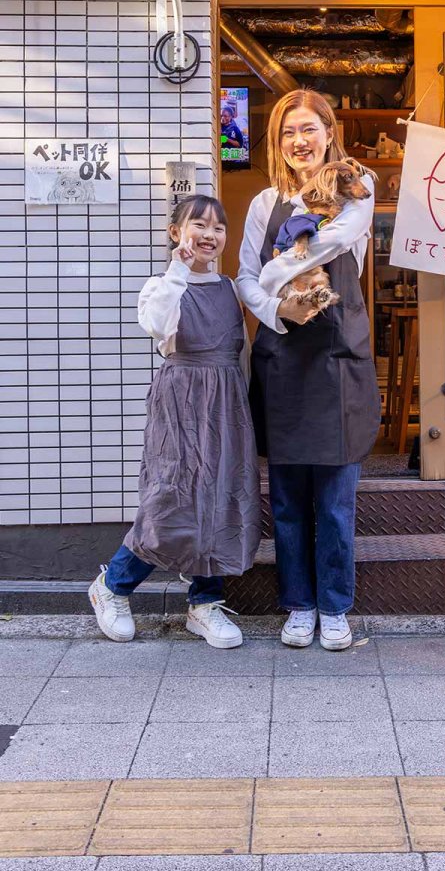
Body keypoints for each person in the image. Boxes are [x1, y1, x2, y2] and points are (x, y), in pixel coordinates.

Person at [237, 89, 380, 651]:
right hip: (283, 361)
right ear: (278, 142)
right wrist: (277, 310)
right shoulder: (264, 203)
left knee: (336, 502)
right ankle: (299, 604)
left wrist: (276, 272)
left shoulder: (356, 186)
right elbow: (244, 277)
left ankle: (336, 606)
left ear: (329, 131)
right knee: (289, 501)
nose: (299, 141)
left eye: (308, 129)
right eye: (287, 132)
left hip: (338, 360)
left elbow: (331, 244)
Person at [89, 195, 262, 649]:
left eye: (219, 227)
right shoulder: (161, 284)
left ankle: (204, 604)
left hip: (226, 404)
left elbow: (240, 353)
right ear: (175, 232)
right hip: (180, 403)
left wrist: (244, 408)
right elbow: (157, 325)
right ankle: (113, 586)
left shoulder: (231, 288)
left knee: (220, 497)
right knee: (170, 497)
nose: (210, 234)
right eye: (199, 224)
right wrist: (177, 270)